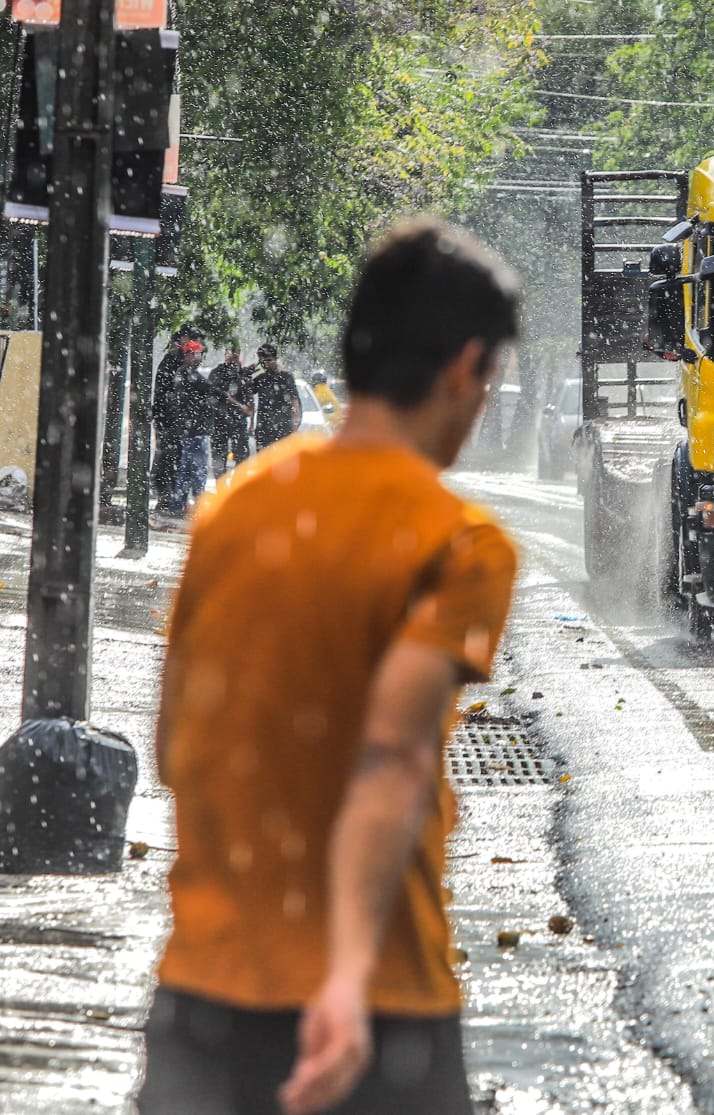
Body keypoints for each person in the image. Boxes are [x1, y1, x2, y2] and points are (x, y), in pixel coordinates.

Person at [140, 218, 522, 1115]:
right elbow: (391, 756)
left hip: (203, 995)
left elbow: (175, 748)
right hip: (379, 1006)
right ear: (467, 367)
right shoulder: (456, 544)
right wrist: (343, 982)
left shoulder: (231, 514)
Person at [152, 326, 203, 516]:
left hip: (176, 421)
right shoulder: (172, 362)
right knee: (169, 459)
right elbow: (167, 393)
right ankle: (166, 499)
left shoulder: (182, 363)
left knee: (178, 459)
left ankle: (174, 499)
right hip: (169, 420)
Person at [173, 341, 219, 510]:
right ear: (190, 354)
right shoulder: (191, 375)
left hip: (189, 429)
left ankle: (178, 505)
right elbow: (212, 391)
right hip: (196, 430)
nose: (200, 357)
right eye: (198, 354)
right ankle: (196, 505)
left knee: (186, 469)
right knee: (197, 470)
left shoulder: (182, 374)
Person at [208, 346, 253, 478]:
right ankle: (221, 488)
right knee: (219, 458)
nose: (233, 357)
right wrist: (241, 406)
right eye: (231, 354)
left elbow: (249, 395)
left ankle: (239, 486)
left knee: (242, 456)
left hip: (239, 421)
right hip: (220, 420)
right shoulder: (217, 372)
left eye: (236, 354)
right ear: (225, 355)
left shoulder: (242, 373)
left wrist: (251, 419)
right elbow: (222, 395)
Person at [249, 343, 302, 450]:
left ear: (275, 359)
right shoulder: (260, 379)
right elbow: (247, 395)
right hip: (264, 428)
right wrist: (247, 374)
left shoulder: (286, 378)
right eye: (262, 361)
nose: (266, 364)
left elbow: (295, 402)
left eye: (269, 360)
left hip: (284, 427)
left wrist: (295, 427)